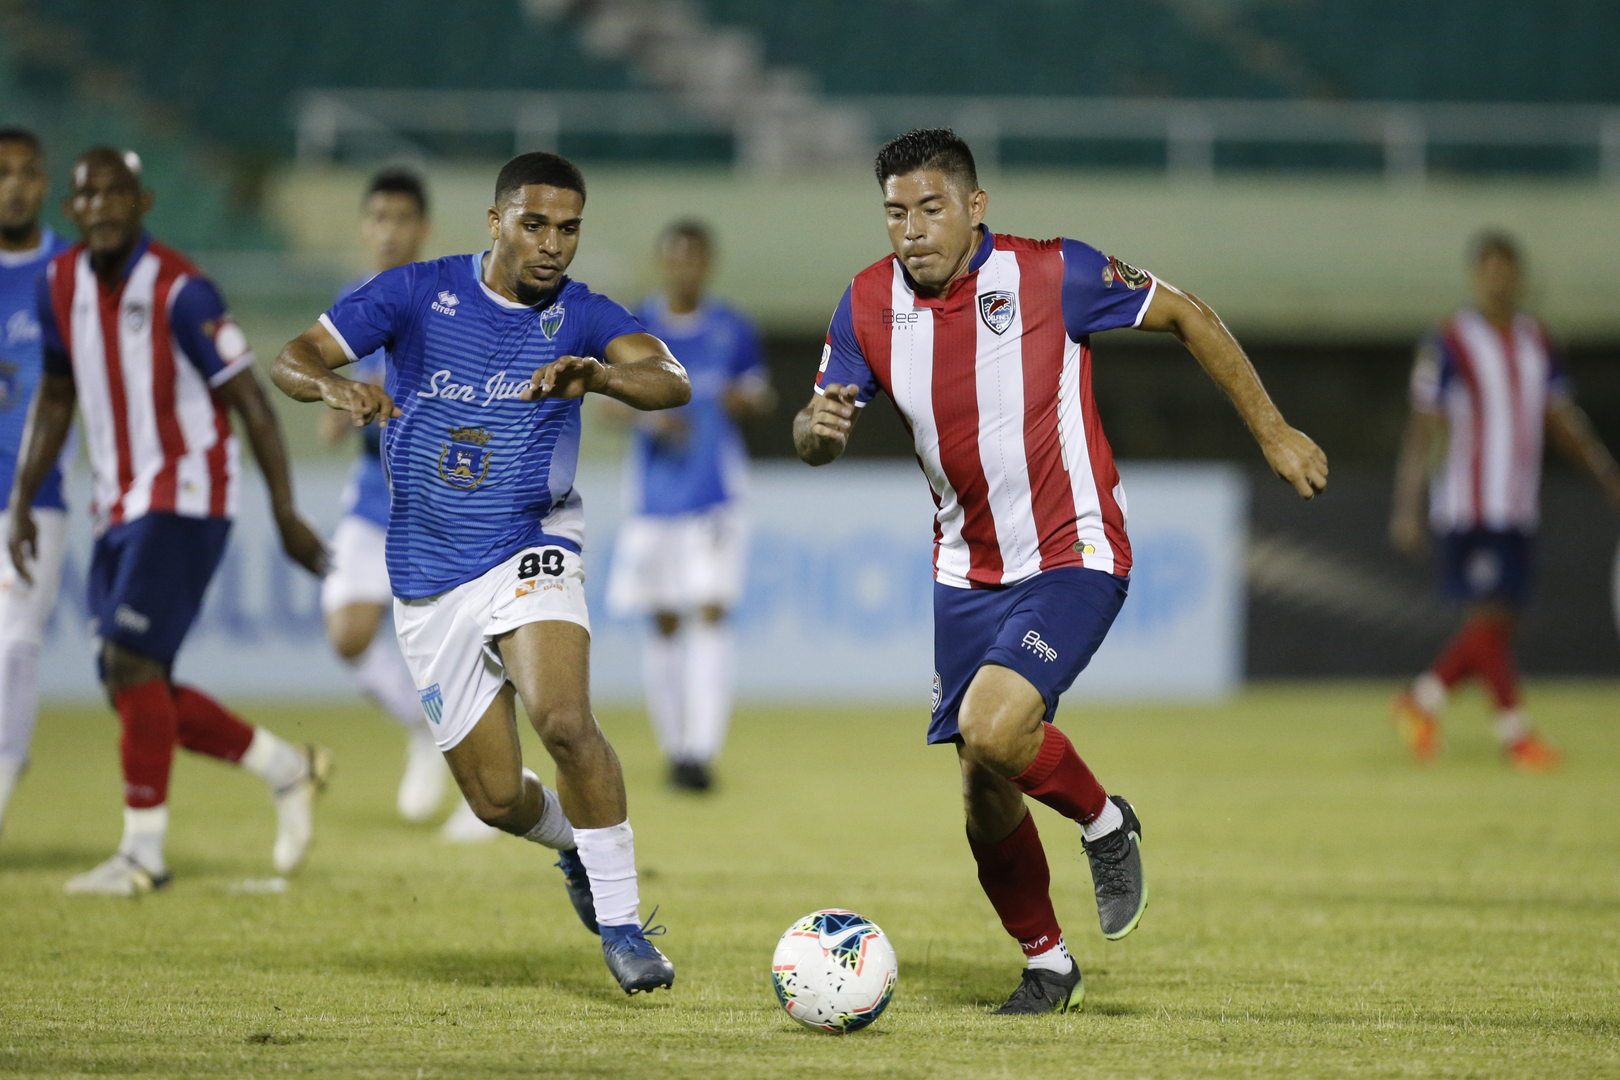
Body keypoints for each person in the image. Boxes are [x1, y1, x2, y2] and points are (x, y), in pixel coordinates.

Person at [794, 129, 1327, 1015]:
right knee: (981, 787)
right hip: (964, 573)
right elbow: (815, 432)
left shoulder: (1054, 272)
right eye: (895, 212)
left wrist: (1273, 431)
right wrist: (817, 432)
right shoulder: (865, 302)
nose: (912, 231)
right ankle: (1048, 964)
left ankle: (1105, 821)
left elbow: (1189, 313)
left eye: (931, 208)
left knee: (994, 729)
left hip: (1073, 552)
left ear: (975, 207)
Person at [270, 151, 689, 995]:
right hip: (427, 570)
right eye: (535, 224)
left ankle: (623, 927)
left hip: (532, 541)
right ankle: (574, 846)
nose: (553, 244)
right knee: (495, 800)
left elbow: (671, 380)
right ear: (496, 222)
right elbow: (294, 358)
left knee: (563, 719)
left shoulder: (581, 314)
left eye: (568, 228)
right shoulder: (413, 292)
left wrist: (602, 376)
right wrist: (330, 389)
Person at [6, 147, 332, 895]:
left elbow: (250, 400)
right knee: (130, 683)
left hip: (187, 492)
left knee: (131, 663)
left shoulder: (182, 289)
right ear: (73, 208)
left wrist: (284, 509)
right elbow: (55, 394)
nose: (101, 206)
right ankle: (286, 767)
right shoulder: (60, 283)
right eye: (88, 195)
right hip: (115, 501)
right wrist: (22, 497)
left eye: (115, 193)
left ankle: (143, 854)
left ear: (142, 202)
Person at [1389, 231, 1620, 771]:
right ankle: (1515, 735)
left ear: (1519, 277)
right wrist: (1407, 506)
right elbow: (1423, 427)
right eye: (1489, 271)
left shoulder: (1538, 340)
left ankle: (1422, 700)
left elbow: (1562, 419)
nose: (1498, 281)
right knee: (1490, 616)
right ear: (1477, 276)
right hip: (1470, 505)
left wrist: (1606, 474)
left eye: (1507, 271)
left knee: (1497, 626)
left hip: (1517, 506)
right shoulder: (1450, 339)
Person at [317, 168, 494, 838]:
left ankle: (495, 788)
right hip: (373, 499)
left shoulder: (451, 299)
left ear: (423, 229)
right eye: (377, 218)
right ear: (364, 227)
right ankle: (427, 730)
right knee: (348, 634)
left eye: (400, 219)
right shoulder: (351, 300)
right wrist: (341, 407)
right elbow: (331, 393)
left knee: (469, 651)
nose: (387, 231)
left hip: (442, 502)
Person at [605, 220, 774, 792]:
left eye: (695, 258)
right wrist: (648, 418)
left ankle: (702, 751)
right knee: (663, 620)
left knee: (710, 609)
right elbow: (604, 401)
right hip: (653, 498)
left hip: (715, 494)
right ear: (662, 262)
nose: (685, 268)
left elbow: (759, 392)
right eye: (676, 258)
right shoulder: (636, 327)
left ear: (708, 263)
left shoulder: (732, 327)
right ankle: (675, 748)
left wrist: (740, 398)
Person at [0, 127, 71, 838]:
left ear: (44, 184)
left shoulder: (68, 273)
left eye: (26, 172)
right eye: (2, 173)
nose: (14, 186)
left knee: (15, 641)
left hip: (35, 496)